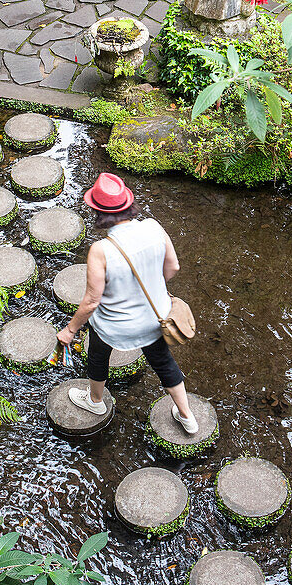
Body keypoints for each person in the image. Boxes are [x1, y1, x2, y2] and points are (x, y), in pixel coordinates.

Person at [56, 172, 199, 435]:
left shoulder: (101, 249)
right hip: (155, 321)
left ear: (97, 211)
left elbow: (91, 301)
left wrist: (69, 330)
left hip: (114, 327)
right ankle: (187, 415)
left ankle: (96, 401)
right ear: (128, 204)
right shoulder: (153, 227)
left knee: (97, 355)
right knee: (163, 362)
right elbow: (173, 267)